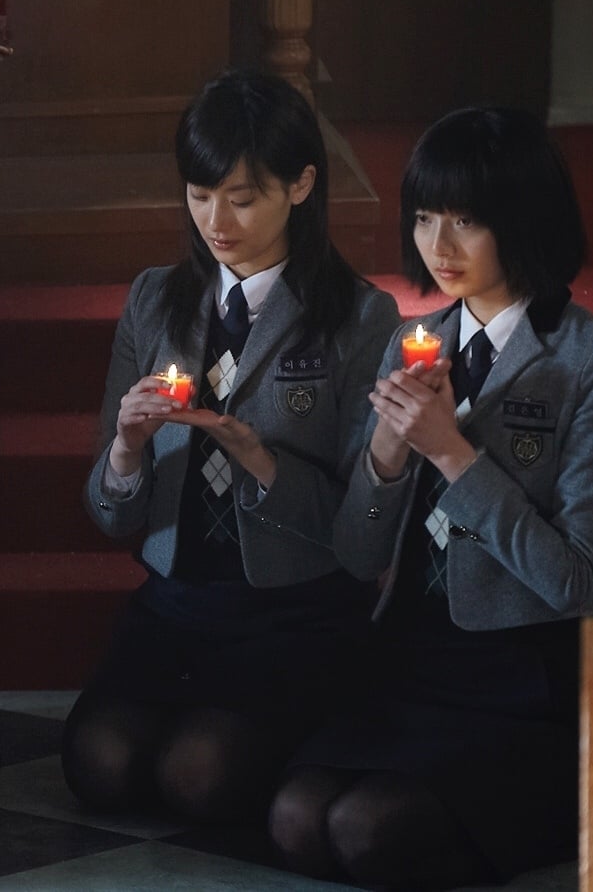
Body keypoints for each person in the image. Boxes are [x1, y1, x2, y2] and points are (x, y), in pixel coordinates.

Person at [269, 107, 593, 889]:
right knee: (297, 818)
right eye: (424, 217)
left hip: (524, 673)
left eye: (466, 221)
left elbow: (576, 580)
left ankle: (574, 797)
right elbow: (358, 555)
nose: (438, 246)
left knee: (366, 830)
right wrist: (384, 455)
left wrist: (450, 450)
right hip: (412, 657)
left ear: (524, 221)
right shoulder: (414, 342)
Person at [63, 70, 400, 822]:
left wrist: (261, 462)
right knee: (99, 763)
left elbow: (362, 537)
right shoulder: (155, 299)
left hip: (293, 611)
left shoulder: (359, 317)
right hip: (176, 605)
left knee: (198, 774)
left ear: (302, 185)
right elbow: (111, 517)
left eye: (242, 199)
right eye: (199, 194)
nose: (217, 221)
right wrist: (125, 451)